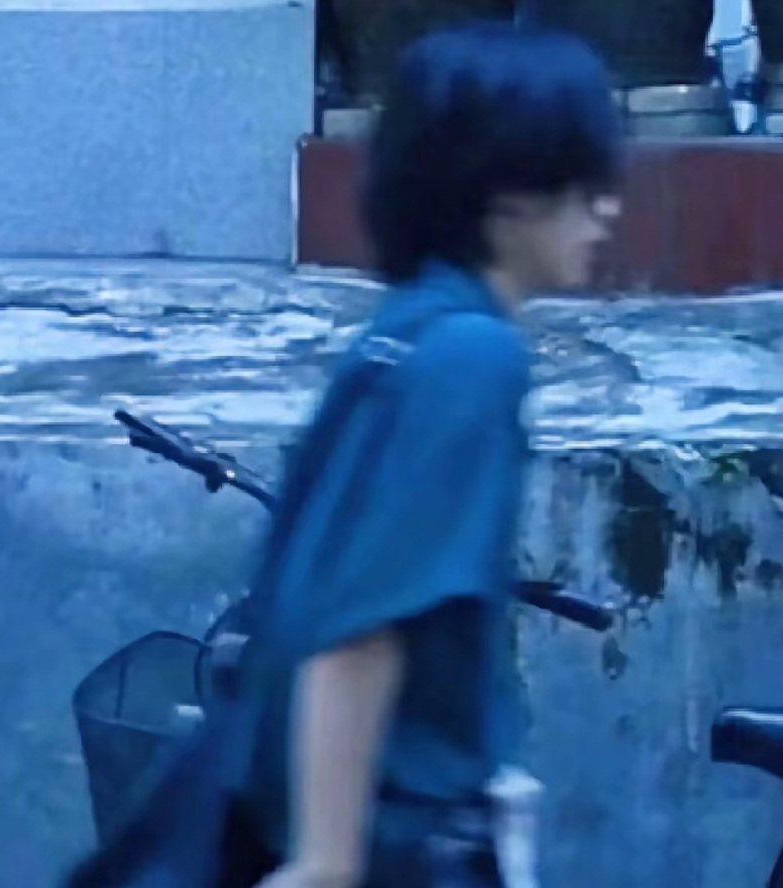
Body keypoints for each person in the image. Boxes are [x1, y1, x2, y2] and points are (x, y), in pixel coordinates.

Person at [234, 21, 623, 888]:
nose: (608, 210)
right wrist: (327, 862)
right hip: (404, 843)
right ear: (507, 194)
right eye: (583, 183)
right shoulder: (472, 359)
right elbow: (364, 629)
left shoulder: (405, 331)